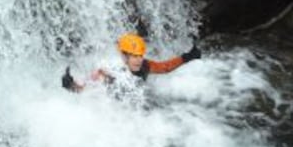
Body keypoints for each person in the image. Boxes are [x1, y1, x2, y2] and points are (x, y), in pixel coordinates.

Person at [62, 33, 201, 93]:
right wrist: (70, 85)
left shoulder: (145, 65)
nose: (138, 59)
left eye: (140, 55)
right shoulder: (107, 71)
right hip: (117, 112)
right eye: (134, 56)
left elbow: (165, 68)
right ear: (123, 56)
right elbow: (84, 90)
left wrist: (187, 57)